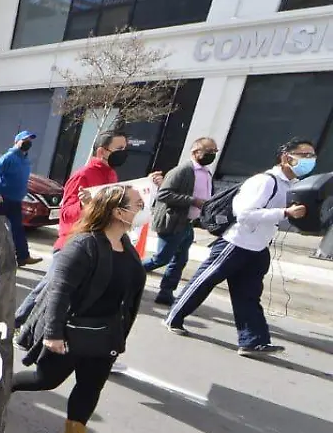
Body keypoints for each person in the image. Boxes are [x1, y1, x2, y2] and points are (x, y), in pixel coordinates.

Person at [14, 185, 147, 433]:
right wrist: (53, 334)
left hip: (106, 334)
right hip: (74, 330)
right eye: (137, 204)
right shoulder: (83, 244)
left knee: (91, 385)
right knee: (45, 380)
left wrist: (121, 332)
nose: (141, 208)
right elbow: (59, 292)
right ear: (117, 211)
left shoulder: (126, 246)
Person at [165, 138, 313, 356]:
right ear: (285, 157)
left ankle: (253, 341)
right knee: (204, 281)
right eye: (304, 155)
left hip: (258, 247)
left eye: (312, 156)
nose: (309, 160)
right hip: (236, 243)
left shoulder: (291, 185)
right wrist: (283, 213)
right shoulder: (265, 181)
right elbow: (243, 213)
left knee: (249, 295)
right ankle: (174, 317)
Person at [16, 131, 163, 330]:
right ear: (102, 151)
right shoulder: (83, 176)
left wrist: (147, 184)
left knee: (58, 291)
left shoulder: (111, 174)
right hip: (72, 244)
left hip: (96, 244)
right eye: (119, 149)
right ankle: (20, 325)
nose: (124, 153)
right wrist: (86, 205)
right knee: (49, 290)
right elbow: (66, 214)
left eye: (125, 149)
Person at [145, 137, 217, 305]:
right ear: (195, 152)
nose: (212, 155)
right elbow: (163, 194)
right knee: (161, 259)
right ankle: (126, 274)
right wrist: (194, 201)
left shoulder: (206, 172)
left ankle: (166, 293)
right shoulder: (182, 171)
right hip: (173, 222)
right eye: (209, 151)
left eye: (215, 152)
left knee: (179, 261)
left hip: (188, 223)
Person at [0, 131, 42, 266]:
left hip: (16, 201)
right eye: (25, 140)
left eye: (30, 140)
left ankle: (23, 257)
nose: (28, 142)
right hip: (2, 201)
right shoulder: (9, 157)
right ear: (17, 141)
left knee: (18, 229)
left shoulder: (26, 160)